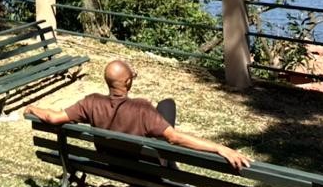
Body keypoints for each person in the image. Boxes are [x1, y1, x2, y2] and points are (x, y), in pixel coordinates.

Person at [26, 58, 249, 170]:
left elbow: (53, 118)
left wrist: (34, 107)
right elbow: (174, 138)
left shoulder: (91, 102)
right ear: (129, 82)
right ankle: (169, 161)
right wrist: (219, 147)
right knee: (167, 106)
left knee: (164, 108)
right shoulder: (142, 109)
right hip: (144, 164)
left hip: (109, 159)